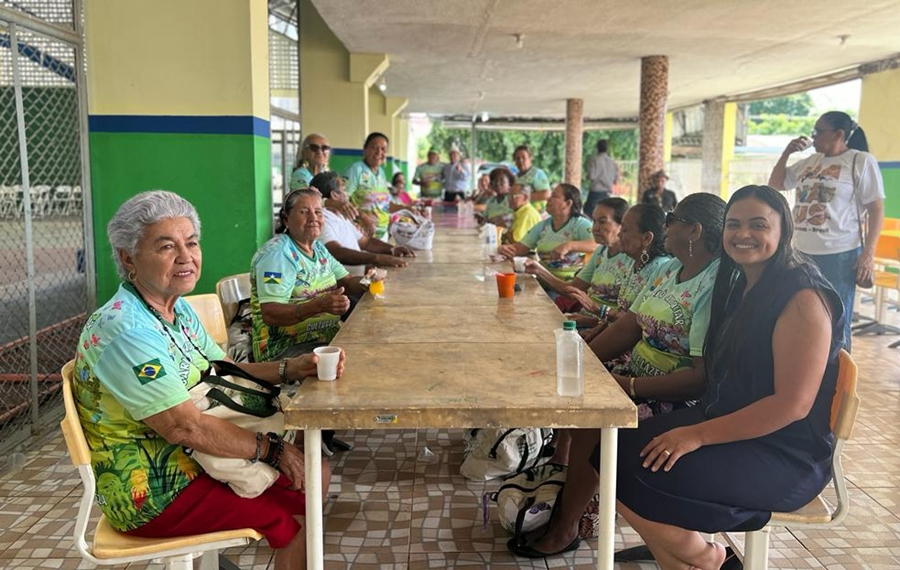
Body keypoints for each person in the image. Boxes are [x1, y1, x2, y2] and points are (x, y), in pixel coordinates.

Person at [74, 190, 340, 570]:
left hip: (196, 459)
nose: (186, 257)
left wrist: (294, 368)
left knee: (315, 476)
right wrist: (274, 452)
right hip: (154, 488)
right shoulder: (126, 330)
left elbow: (222, 369)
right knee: (296, 512)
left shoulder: (175, 308)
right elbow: (184, 427)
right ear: (128, 258)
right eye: (166, 246)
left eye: (192, 242)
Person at [610, 185, 844, 570]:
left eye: (758, 224)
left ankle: (708, 558)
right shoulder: (744, 281)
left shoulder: (802, 297)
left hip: (784, 452)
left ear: (783, 231)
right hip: (729, 420)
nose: (743, 234)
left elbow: (792, 405)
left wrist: (695, 435)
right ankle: (705, 558)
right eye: (734, 224)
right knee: (610, 449)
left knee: (641, 474)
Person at [511, 193, 725, 559]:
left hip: (672, 396)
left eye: (671, 219)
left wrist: (628, 386)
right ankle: (571, 508)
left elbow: (698, 378)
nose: (665, 227)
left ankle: (566, 526)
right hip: (633, 376)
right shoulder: (670, 270)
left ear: (694, 230)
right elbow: (630, 326)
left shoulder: (713, 283)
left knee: (598, 424)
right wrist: (585, 365)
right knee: (580, 397)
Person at [768, 111, 884, 349]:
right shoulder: (809, 163)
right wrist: (787, 152)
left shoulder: (859, 161)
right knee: (800, 313)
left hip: (839, 254)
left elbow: (876, 210)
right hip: (800, 251)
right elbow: (776, 184)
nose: (813, 137)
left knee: (836, 320)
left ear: (839, 134)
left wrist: (868, 254)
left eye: (819, 131)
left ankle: (839, 380)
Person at [250, 188, 375, 363]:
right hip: (284, 350)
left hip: (323, 339)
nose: (313, 218)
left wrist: (369, 281)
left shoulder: (318, 248)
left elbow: (346, 281)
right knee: (360, 359)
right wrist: (318, 306)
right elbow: (270, 313)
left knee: (374, 341)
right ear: (286, 219)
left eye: (318, 212)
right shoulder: (277, 255)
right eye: (304, 212)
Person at [524, 197, 629, 323]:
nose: (594, 228)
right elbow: (573, 289)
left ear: (622, 225)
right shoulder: (601, 252)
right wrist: (538, 269)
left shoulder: (632, 258)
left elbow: (629, 321)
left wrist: (591, 321)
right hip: (584, 318)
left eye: (602, 222)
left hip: (603, 327)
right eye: (594, 221)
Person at [580, 204, 671, 343]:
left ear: (646, 238)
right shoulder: (637, 262)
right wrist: (595, 332)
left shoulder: (661, 268)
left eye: (625, 230)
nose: (619, 234)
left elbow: (637, 324)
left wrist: (599, 310)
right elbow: (621, 309)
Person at [313, 172, 415, 276]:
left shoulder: (341, 214)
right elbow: (335, 252)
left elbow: (366, 242)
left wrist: (392, 249)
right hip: (347, 286)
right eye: (344, 189)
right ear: (334, 195)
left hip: (361, 277)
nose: (348, 193)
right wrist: (377, 258)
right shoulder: (323, 219)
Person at [498, 184, 594, 281]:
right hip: (543, 280)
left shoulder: (580, 224)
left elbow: (599, 244)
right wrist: (506, 249)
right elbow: (521, 248)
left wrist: (569, 245)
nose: (548, 199)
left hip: (568, 284)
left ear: (568, 203)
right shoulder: (543, 226)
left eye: (554, 196)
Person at [344, 132, 396, 240]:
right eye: (374, 147)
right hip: (361, 234)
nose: (379, 152)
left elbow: (385, 204)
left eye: (383, 149)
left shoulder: (381, 172)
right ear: (365, 149)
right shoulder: (355, 170)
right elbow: (343, 200)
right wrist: (363, 217)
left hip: (382, 235)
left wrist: (409, 210)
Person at [584, 139, 618, 215]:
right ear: (607, 149)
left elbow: (592, 176)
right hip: (607, 193)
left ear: (597, 148)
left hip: (595, 193)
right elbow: (616, 179)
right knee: (604, 215)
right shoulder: (612, 162)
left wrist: (586, 176)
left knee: (589, 214)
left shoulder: (594, 160)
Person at [513, 145, 552, 212]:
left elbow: (546, 194)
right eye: (518, 158)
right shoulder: (515, 177)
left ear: (530, 158)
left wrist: (523, 197)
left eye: (524, 158)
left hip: (537, 214)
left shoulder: (537, 173)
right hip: (521, 213)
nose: (520, 161)